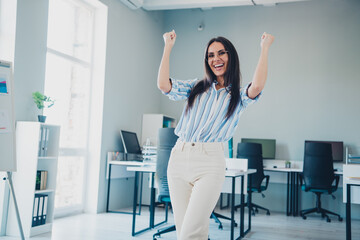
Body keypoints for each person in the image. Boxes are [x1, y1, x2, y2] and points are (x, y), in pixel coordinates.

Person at [157, 30, 274, 240]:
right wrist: (168, 47)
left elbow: (256, 86)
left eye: (221, 53)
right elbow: (163, 85)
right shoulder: (195, 87)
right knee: (184, 231)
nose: (215, 59)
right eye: (210, 55)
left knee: (191, 233)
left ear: (231, 57)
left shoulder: (237, 95)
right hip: (179, 158)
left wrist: (264, 49)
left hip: (210, 163)